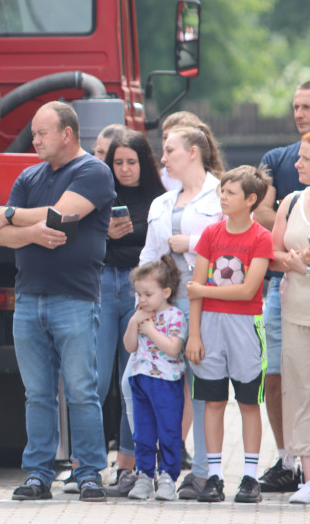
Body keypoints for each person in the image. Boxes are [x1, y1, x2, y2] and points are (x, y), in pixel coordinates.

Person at [0, 101, 115, 503]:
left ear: (68, 134)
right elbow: (1, 236)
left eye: (43, 132)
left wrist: (11, 214)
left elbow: (60, 217)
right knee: (37, 393)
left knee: (81, 389)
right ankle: (38, 475)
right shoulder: (29, 175)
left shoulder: (93, 172)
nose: (35, 139)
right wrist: (29, 231)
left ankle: (90, 472)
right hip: (29, 300)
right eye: (34, 132)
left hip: (74, 300)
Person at [139, 123, 223, 499]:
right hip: (166, 309)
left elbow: (231, 247)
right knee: (156, 386)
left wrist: (190, 242)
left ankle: (204, 473)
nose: (163, 157)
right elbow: (148, 258)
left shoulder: (221, 194)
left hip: (207, 303)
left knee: (203, 387)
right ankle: (155, 470)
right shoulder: (161, 202)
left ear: (193, 152)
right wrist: (142, 303)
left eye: (170, 149)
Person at [186, 165, 273, 503]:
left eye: (230, 192)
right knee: (213, 401)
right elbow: (194, 290)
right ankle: (214, 476)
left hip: (245, 329)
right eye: (222, 190)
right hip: (210, 327)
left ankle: (250, 477)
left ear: (251, 199)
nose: (222, 197)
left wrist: (204, 290)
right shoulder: (210, 234)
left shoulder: (261, 238)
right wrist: (194, 334)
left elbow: (248, 290)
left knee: (249, 403)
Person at [98, 130, 165, 497]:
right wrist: (106, 232)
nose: (124, 170)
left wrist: (125, 235)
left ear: (144, 162)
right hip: (102, 283)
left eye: (131, 162)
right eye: (117, 162)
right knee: (93, 379)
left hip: (140, 290)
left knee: (132, 380)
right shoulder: (100, 193)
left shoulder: (158, 199)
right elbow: (81, 233)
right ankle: (87, 466)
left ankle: (130, 465)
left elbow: (158, 243)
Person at [253, 81, 310, 493]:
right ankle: (288, 459)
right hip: (283, 290)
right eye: (296, 106)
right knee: (279, 377)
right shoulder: (277, 158)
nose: (300, 113)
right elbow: (261, 211)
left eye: (306, 106)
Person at [123, 256, 186, 501]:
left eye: (148, 294)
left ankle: (168, 476)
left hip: (166, 383)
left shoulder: (174, 316)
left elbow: (172, 348)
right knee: (143, 431)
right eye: (139, 294)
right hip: (140, 379)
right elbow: (130, 347)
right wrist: (133, 323)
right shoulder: (139, 315)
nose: (142, 300)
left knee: (168, 430)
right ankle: (144, 476)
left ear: (166, 292)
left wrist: (150, 330)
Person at [269, 132, 310, 504]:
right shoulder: (292, 200)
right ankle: (309, 477)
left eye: (306, 159)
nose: (297, 164)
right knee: (298, 389)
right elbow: (273, 252)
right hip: (297, 311)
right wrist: (294, 262)